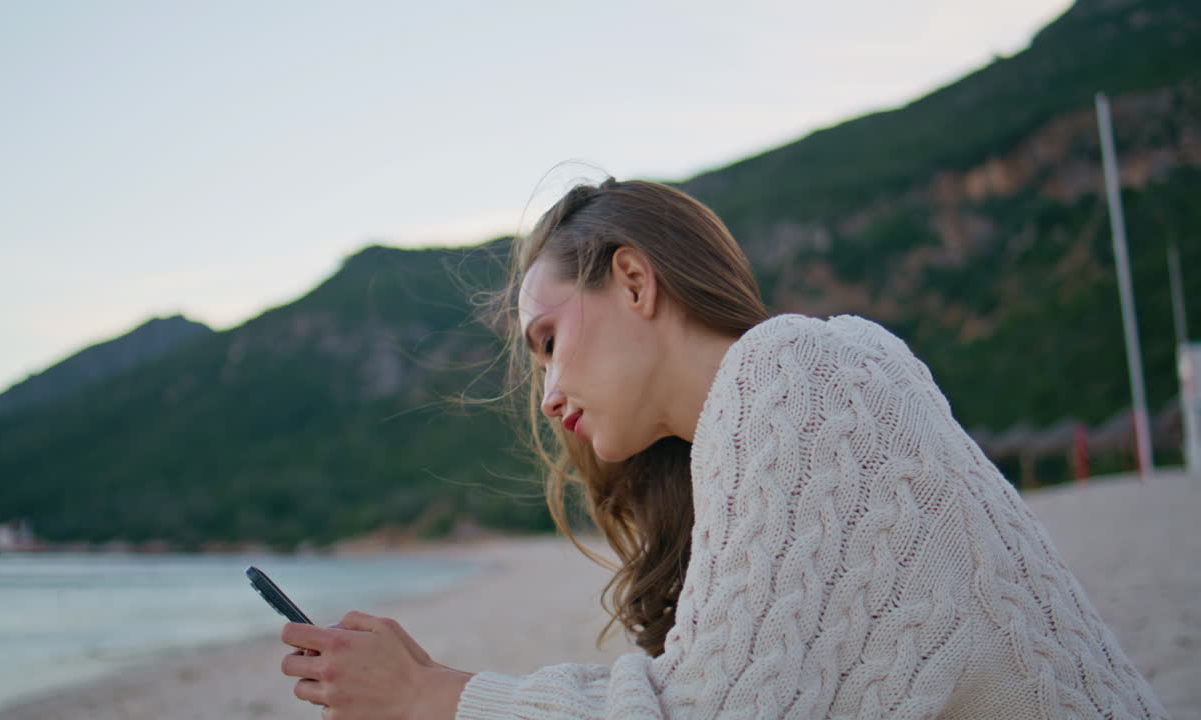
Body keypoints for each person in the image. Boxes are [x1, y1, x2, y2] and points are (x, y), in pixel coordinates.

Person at [277, 178, 1169, 719]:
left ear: (633, 279)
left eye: (549, 339)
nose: (547, 396)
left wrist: (434, 699)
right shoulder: (751, 434)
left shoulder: (797, 368)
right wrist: (432, 685)